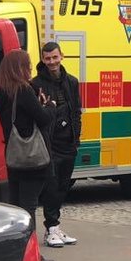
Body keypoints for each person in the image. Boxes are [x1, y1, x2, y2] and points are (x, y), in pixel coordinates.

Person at [0, 49, 57, 261]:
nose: (29, 69)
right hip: (32, 161)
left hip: (14, 158)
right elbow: (43, 119)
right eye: (27, 65)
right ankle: (30, 256)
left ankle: (14, 253)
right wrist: (50, 106)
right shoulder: (24, 91)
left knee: (16, 207)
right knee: (28, 210)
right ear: (19, 68)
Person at [32, 42, 81, 249]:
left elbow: (76, 111)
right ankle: (51, 228)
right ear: (43, 59)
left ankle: (55, 226)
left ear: (62, 56)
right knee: (51, 187)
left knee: (63, 186)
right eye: (47, 58)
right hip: (49, 144)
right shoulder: (36, 85)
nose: (51, 62)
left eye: (55, 57)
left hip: (68, 141)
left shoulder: (72, 82)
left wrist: (76, 137)